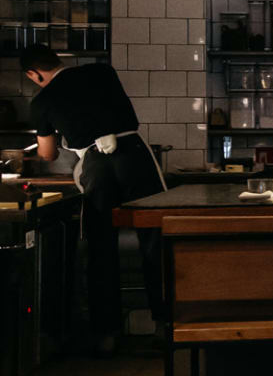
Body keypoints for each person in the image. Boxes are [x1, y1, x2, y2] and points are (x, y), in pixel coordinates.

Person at [19, 46, 164, 351]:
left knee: (100, 246)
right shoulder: (101, 71)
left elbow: (47, 153)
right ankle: (166, 325)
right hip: (134, 157)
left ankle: (106, 334)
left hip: (96, 166)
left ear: (34, 74)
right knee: (155, 239)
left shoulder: (41, 101)